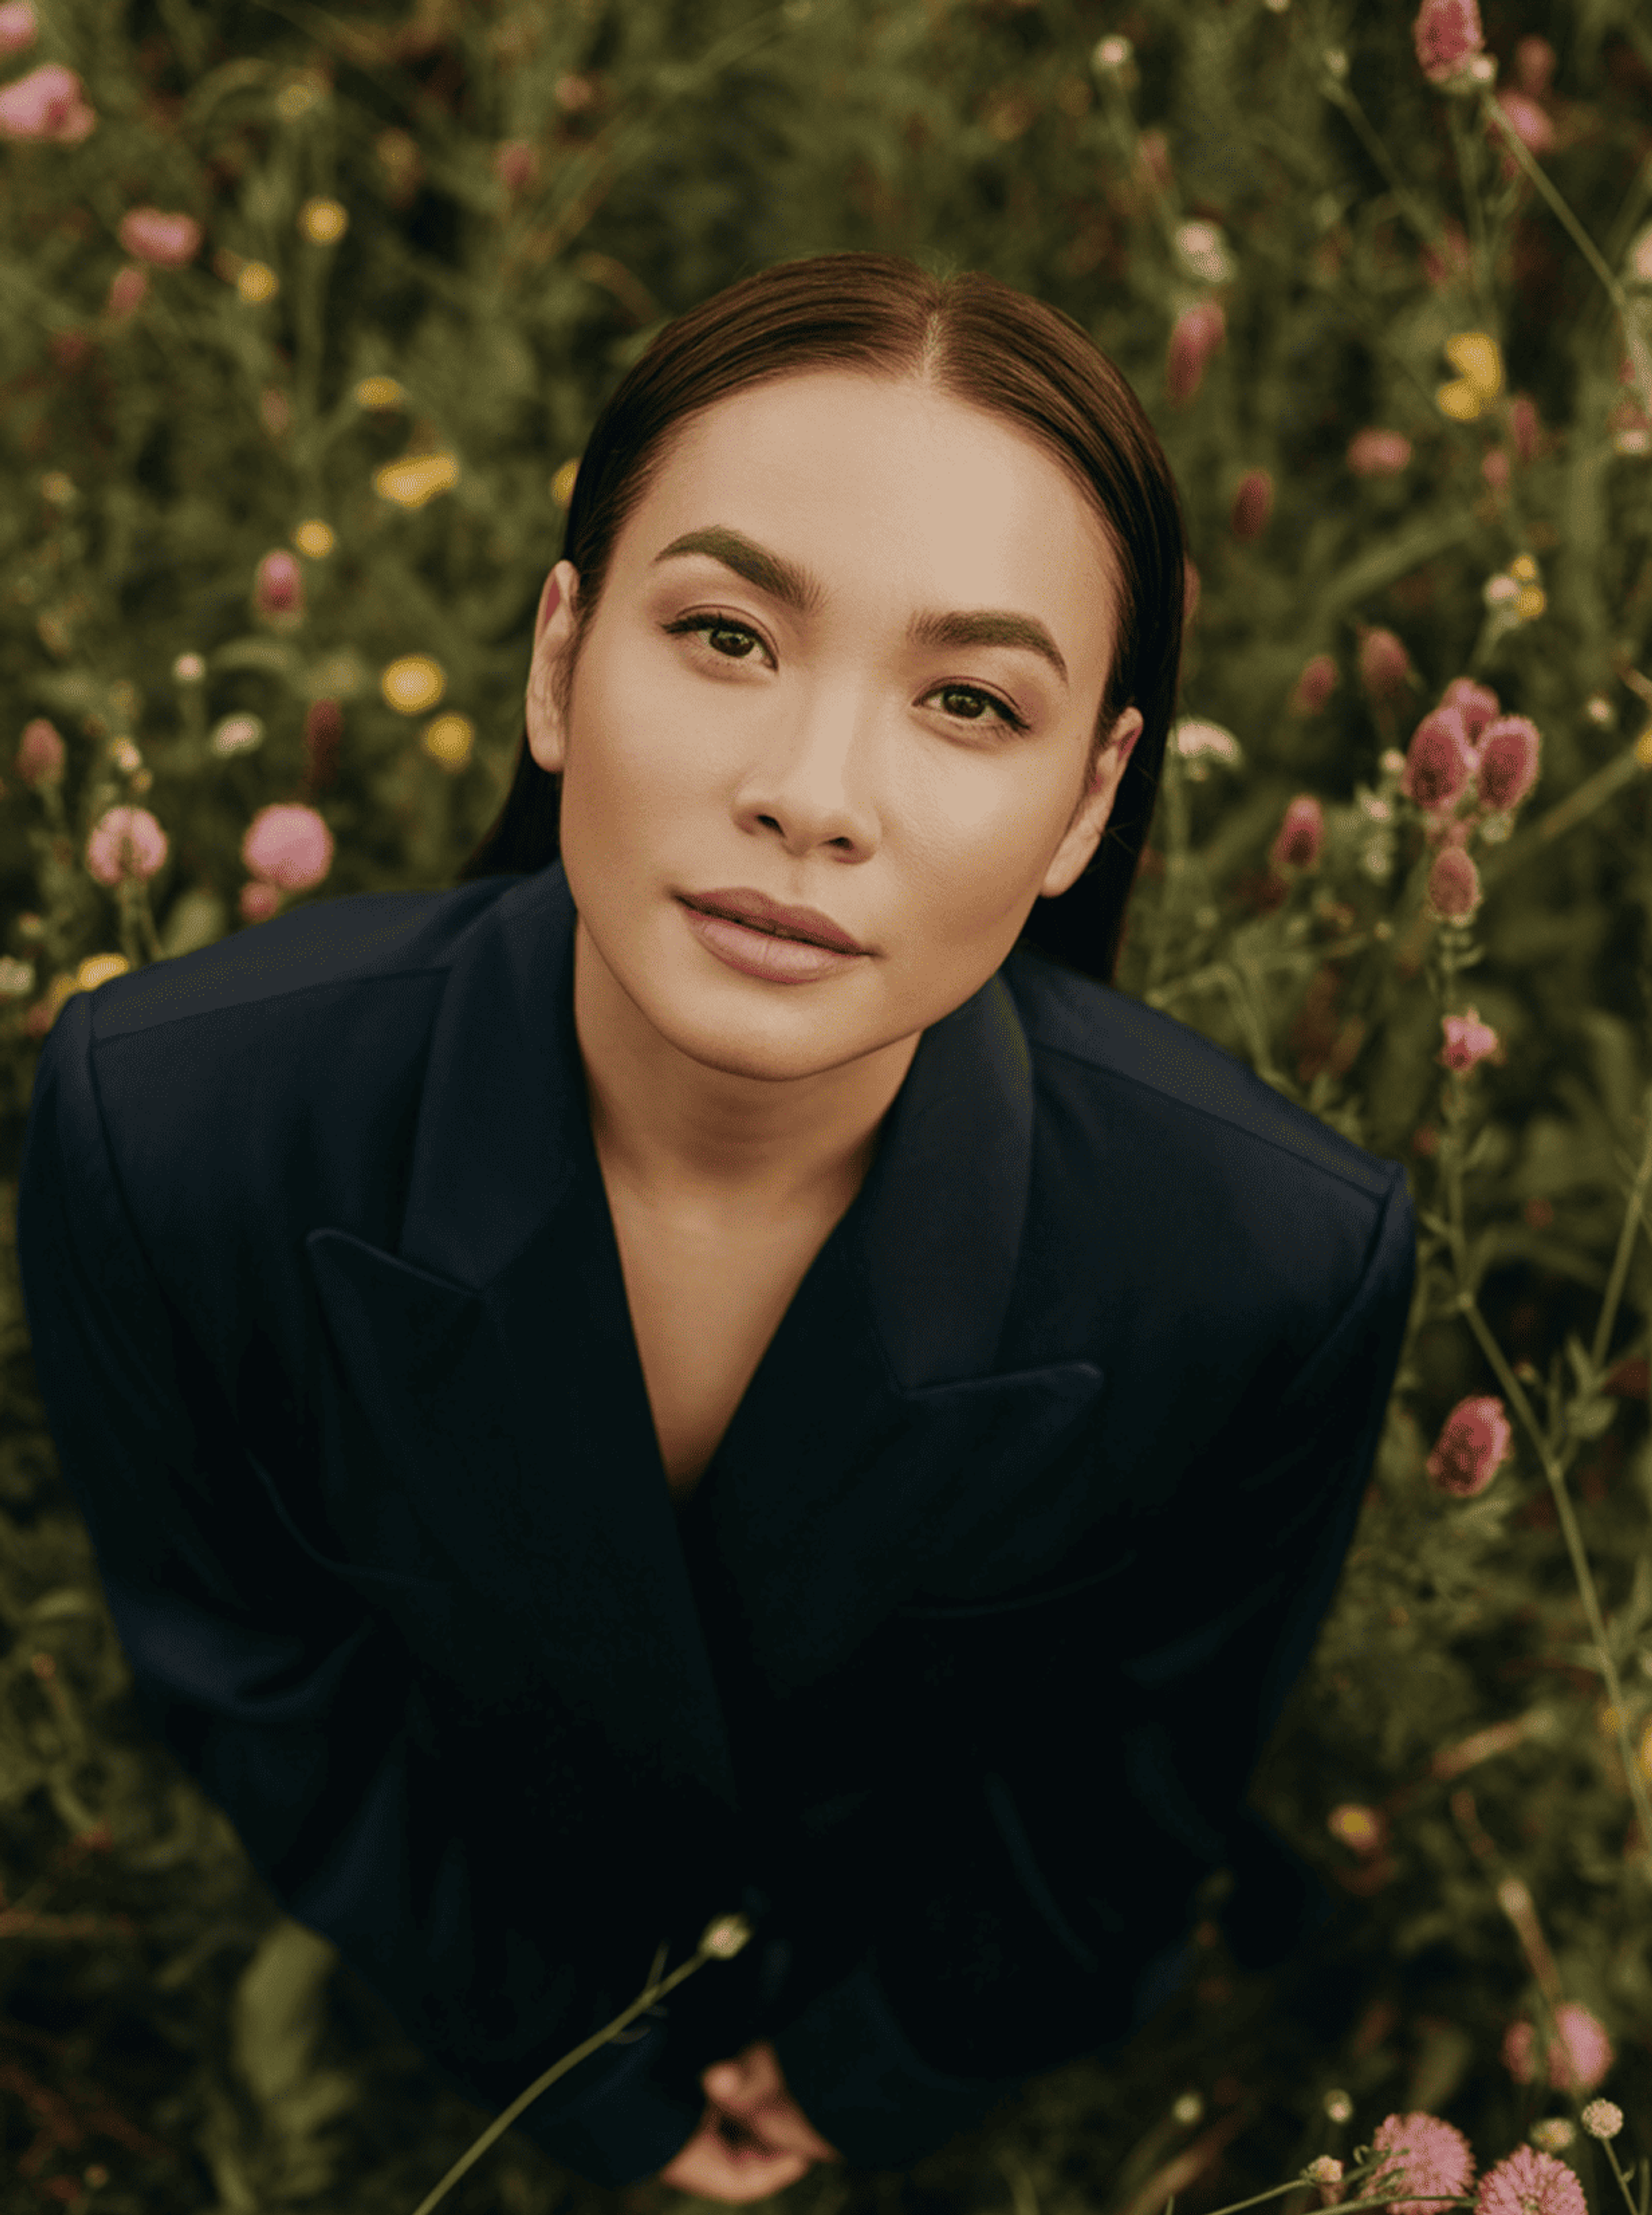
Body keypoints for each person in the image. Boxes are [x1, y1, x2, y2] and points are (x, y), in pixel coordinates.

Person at [16, 250, 1416, 2203]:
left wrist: (882, 2064)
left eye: (967, 699)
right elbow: (257, 1679)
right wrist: (567, 2061)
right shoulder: (171, 1128)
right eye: (729, 636)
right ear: (556, 660)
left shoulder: (1265, 1263)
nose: (811, 796)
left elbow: (1137, 1769)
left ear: (1092, 800)